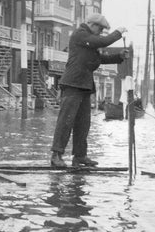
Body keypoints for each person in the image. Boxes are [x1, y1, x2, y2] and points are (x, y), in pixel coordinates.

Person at [50, 13, 128, 168]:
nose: (100, 32)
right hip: (72, 85)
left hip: (84, 86)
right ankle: (56, 155)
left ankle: (80, 156)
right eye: (100, 29)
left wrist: (119, 56)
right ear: (92, 25)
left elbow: (100, 59)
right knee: (66, 121)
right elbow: (103, 41)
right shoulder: (80, 35)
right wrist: (118, 32)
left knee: (83, 123)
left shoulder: (89, 42)